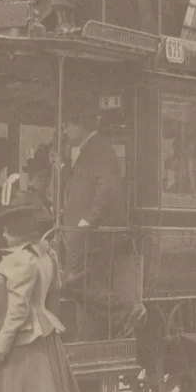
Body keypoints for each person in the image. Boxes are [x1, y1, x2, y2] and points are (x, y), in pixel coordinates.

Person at [0, 191, 100, 392]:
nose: (3, 234)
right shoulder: (46, 254)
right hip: (46, 333)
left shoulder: (20, 261)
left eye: (6, 229)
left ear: (15, 231)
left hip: (27, 340)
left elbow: (17, 311)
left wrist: (1, 347)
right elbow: (55, 291)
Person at [60, 103, 137, 333]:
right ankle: (114, 319)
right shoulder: (90, 150)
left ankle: (124, 311)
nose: (65, 132)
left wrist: (90, 219)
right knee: (76, 281)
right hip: (81, 233)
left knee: (72, 281)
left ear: (79, 126)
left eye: (67, 127)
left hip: (90, 234)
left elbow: (108, 188)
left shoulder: (99, 150)